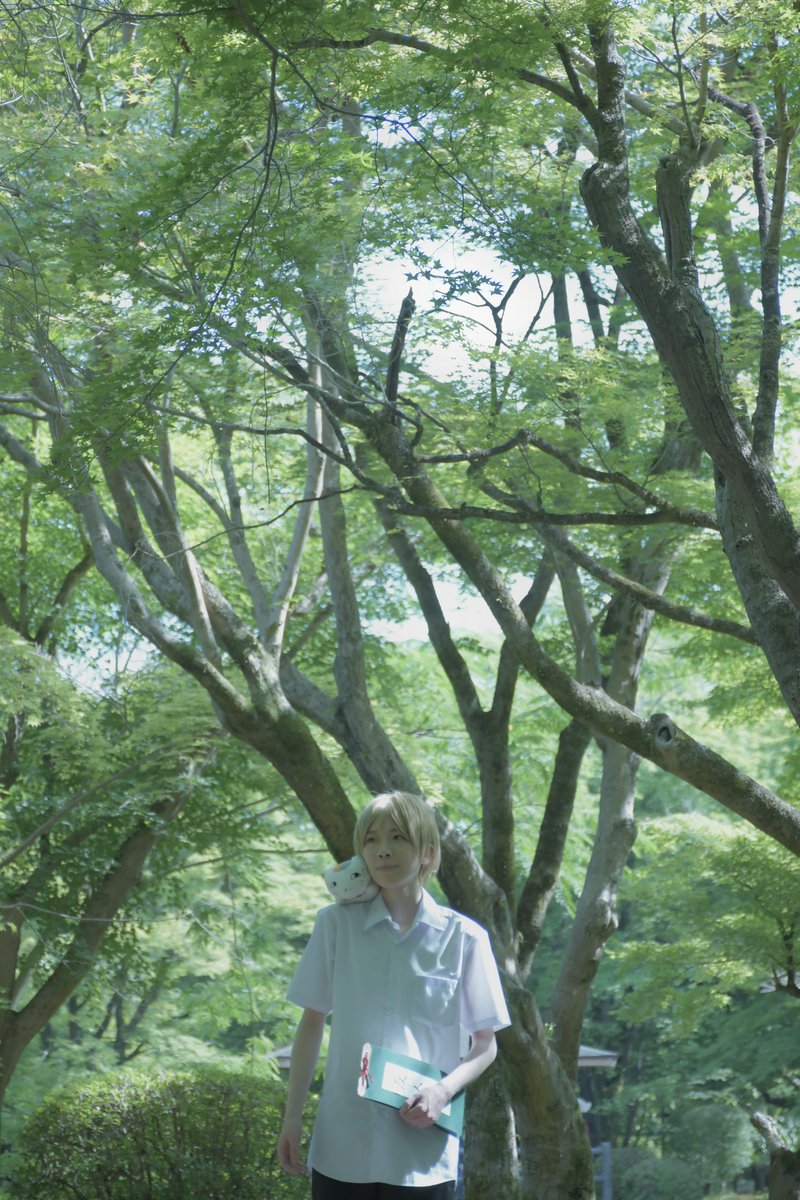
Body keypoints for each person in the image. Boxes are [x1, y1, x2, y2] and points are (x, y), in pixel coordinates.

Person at [277, 790, 511, 1200]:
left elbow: (485, 1044)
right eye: (371, 840)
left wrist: (442, 1091)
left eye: (398, 837)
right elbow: (312, 1022)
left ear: (427, 852)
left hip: (422, 1154)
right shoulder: (335, 926)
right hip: (342, 1143)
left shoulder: (465, 938)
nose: (382, 850)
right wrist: (292, 1116)